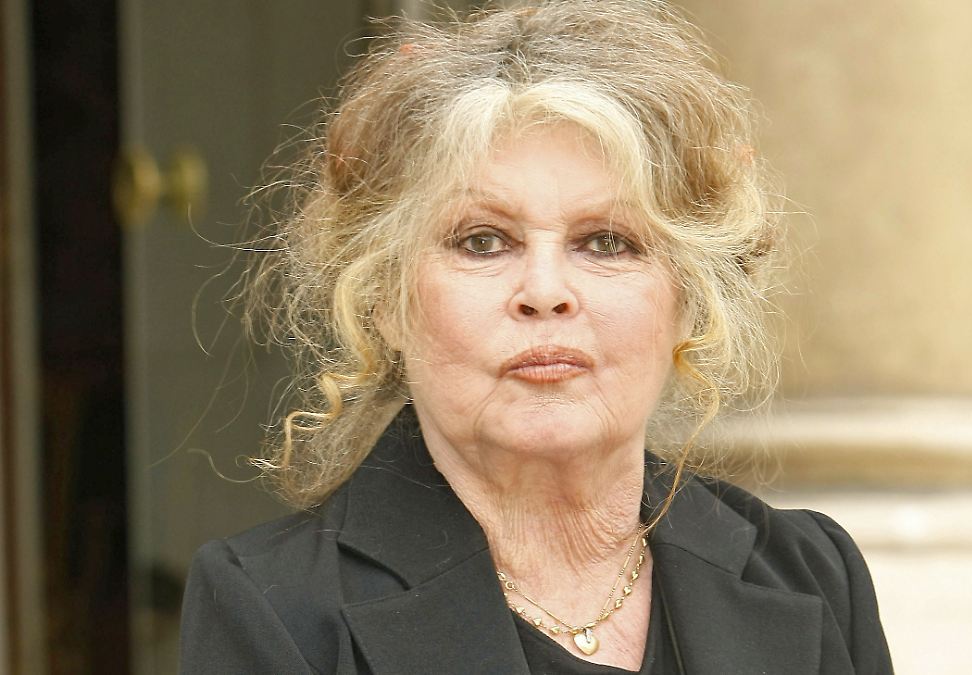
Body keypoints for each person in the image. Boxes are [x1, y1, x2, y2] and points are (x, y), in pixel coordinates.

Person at [179, 1, 892, 673]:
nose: (545, 290)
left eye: (606, 241)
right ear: (385, 302)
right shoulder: (273, 607)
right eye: (482, 240)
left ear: (689, 300)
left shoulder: (810, 571)